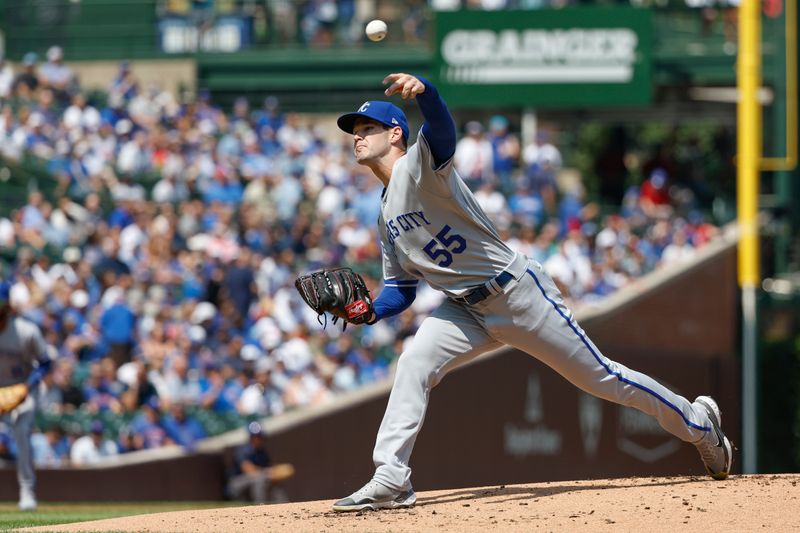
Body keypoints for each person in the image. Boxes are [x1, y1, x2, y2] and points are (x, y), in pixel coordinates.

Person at [330, 73, 733, 512]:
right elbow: (400, 289)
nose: (357, 137)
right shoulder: (384, 213)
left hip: (518, 294)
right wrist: (368, 312)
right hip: (465, 311)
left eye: (367, 128)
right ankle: (391, 477)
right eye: (355, 131)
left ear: (395, 134)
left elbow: (443, 131)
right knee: (413, 362)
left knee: (603, 378)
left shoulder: (419, 165)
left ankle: (700, 425)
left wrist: (427, 91)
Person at [0, 281, 55, 511]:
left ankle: (27, 492)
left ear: (8, 307)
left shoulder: (25, 330)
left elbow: (45, 362)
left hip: (22, 391)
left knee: (22, 435)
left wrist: (28, 385)